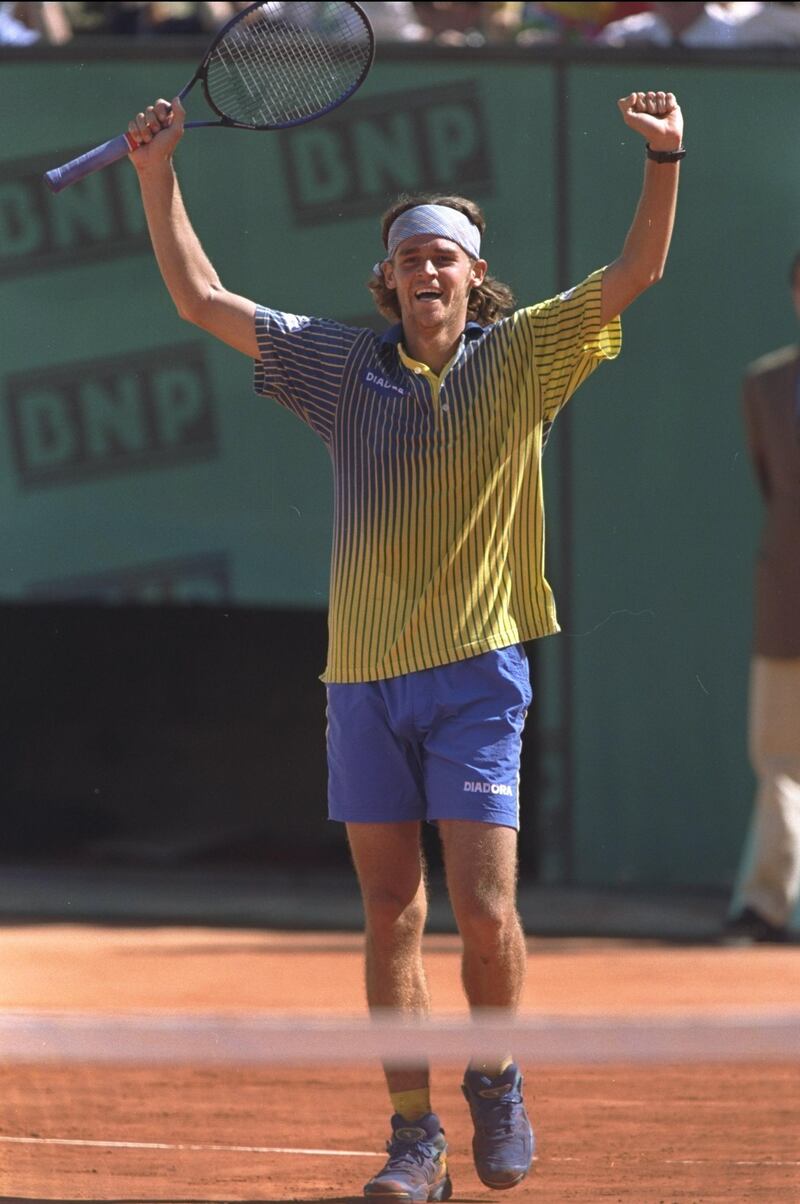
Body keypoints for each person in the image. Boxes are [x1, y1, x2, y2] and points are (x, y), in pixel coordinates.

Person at [125, 87, 683, 1200]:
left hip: (479, 672)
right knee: (391, 912)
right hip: (362, 682)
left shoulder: (524, 356)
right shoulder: (338, 368)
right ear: (386, 279)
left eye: (447, 259)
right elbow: (198, 296)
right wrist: (156, 169)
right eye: (411, 259)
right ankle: (412, 1136)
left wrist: (664, 159)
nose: (428, 272)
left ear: (475, 278)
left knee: (483, 910)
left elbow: (635, 276)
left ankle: (498, 1072)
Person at [722, 254, 800, 946]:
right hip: (788, 596)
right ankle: (764, 905)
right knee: (779, 759)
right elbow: (771, 485)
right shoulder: (766, 385)